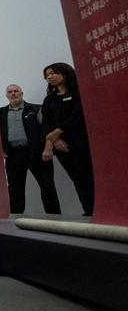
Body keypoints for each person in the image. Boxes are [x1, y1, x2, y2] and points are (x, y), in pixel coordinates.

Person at [0, 84, 61, 215]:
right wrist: (0, 149)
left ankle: (54, 217)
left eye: (16, 91)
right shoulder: (1, 113)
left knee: (47, 186)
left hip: (37, 153)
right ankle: (15, 219)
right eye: (10, 92)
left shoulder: (36, 109)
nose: (13, 94)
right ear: (6, 95)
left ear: (22, 93)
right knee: (15, 189)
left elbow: (47, 129)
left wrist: (48, 149)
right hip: (13, 155)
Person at [41, 63, 94, 216]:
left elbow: (78, 115)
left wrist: (58, 131)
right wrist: (54, 140)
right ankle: (89, 211)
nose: (50, 77)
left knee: (88, 176)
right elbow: (46, 123)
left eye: (53, 73)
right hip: (61, 146)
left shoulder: (79, 92)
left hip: (82, 142)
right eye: (47, 75)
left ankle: (99, 210)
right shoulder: (49, 99)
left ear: (65, 73)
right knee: (77, 179)